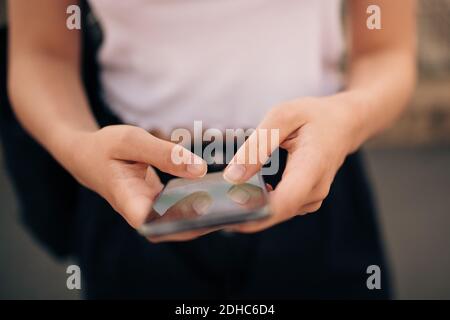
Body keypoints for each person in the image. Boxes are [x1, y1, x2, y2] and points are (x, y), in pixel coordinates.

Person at [7, 0, 416, 299]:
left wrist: (346, 119)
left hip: (314, 168)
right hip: (134, 177)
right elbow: (41, 54)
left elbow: (387, 50)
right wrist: (77, 145)